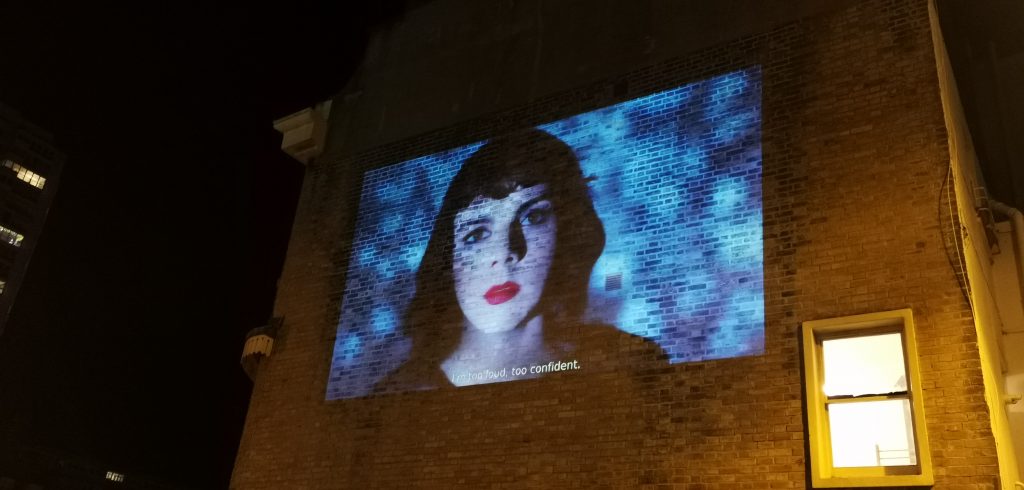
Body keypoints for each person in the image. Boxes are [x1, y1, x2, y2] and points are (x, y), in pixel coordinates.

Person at [373, 128, 665, 393]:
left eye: (533, 217)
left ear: (565, 231)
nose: (504, 253)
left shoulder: (631, 362)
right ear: (448, 257)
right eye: (476, 234)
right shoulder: (395, 395)